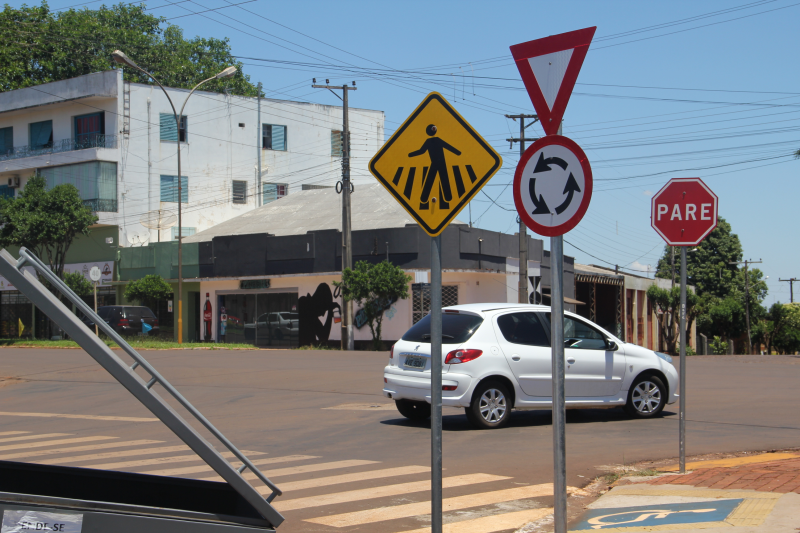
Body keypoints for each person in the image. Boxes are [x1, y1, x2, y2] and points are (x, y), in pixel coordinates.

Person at [408, 124, 461, 210]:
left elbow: (421, 151)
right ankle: (447, 197)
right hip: (439, 163)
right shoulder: (436, 140)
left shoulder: (429, 141)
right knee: (443, 179)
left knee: (431, 179)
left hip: (435, 163)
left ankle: (424, 198)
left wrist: (410, 154)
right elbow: (449, 147)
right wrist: (458, 152)